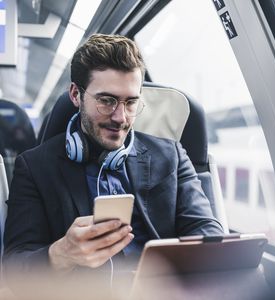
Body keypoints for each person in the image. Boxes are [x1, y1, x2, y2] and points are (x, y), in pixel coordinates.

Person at [3, 34, 223, 295]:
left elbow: (206, 231)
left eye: (131, 102)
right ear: (76, 94)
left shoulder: (171, 156)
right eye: (106, 101)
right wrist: (61, 254)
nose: (120, 118)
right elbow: (14, 268)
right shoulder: (36, 166)